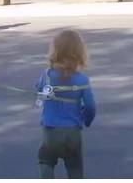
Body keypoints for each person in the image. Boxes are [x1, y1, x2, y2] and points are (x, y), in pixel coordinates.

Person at [35, 30, 97, 178]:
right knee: (74, 167)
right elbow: (90, 106)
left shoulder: (47, 75)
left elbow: (38, 89)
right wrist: (86, 120)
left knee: (46, 161)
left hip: (51, 131)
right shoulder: (82, 80)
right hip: (73, 132)